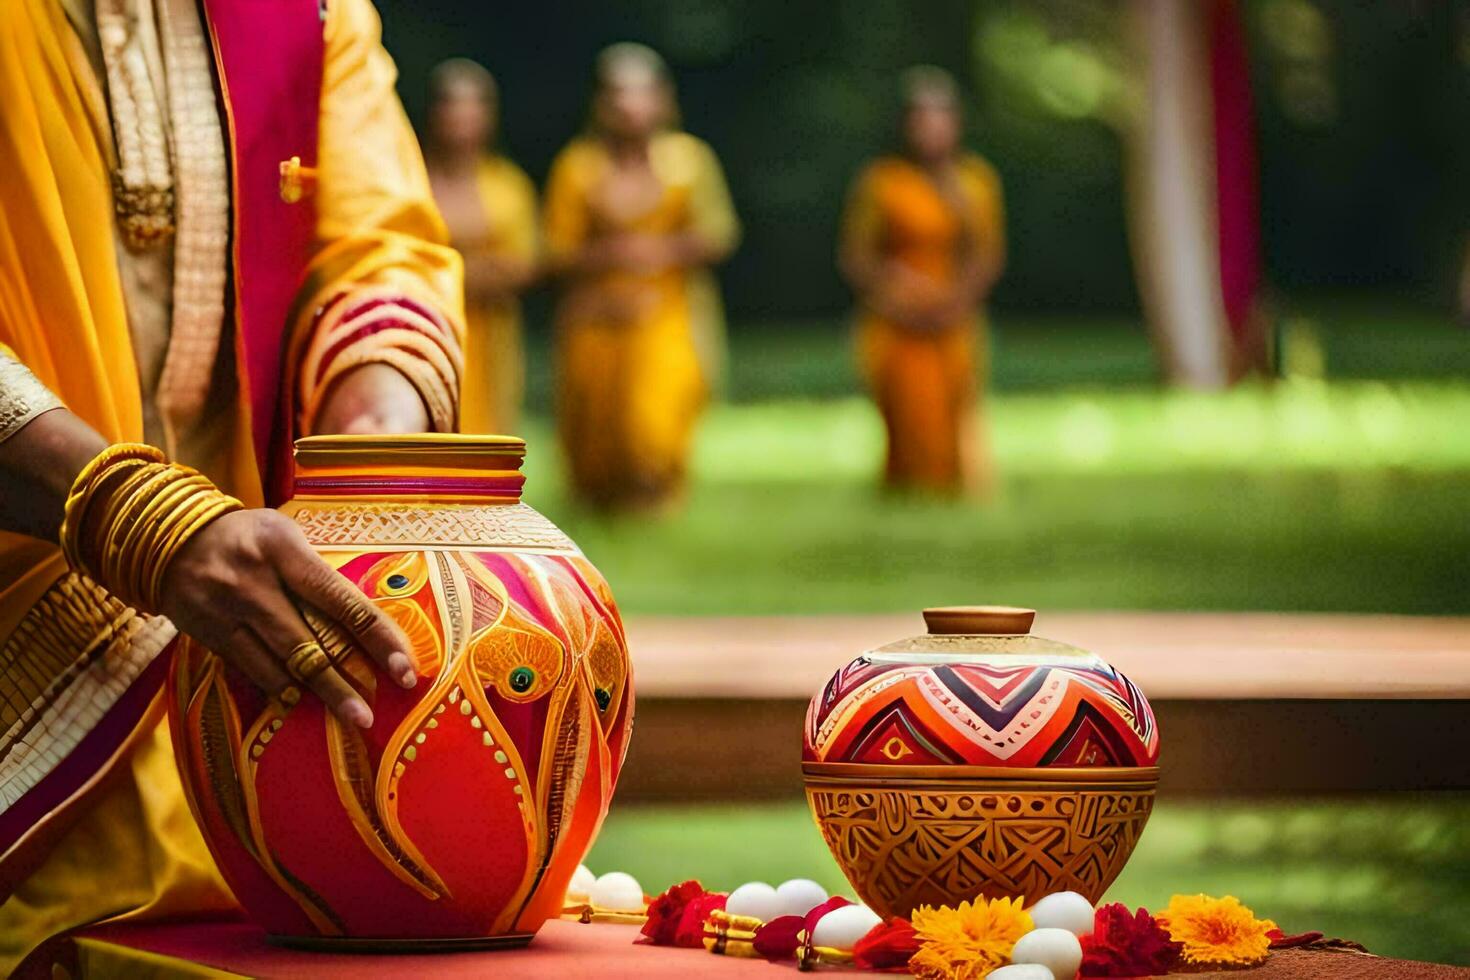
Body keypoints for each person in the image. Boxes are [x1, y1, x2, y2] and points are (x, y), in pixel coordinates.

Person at [0, 0, 464, 969]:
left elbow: (380, 247)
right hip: (34, 731)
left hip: (247, 738)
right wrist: (147, 525)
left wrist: (365, 458)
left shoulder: (310, 14)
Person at [542, 43, 739, 512]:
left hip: (666, 311)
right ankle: (604, 509)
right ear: (600, 103)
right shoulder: (578, 167)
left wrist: (658, 252)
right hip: (596, 313)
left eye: (640, 92)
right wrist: (610, 256)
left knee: (654, 418)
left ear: (662, 99)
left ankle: (657, 504)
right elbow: (555, 250)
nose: (629, 105)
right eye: (616, 94)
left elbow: (718, 234)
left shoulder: (690, 161)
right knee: (598, 424)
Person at [839, 66, 1006, 494]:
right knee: (908, 410)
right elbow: (858, 256)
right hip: (896, 314)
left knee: (955, 406)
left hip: (954, 312)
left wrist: (955, 302)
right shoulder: (883, 183)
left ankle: (957, 485)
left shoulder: (975, 182)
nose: (931, 131)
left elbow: (985, 254)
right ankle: (908, 486)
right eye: (920, 120)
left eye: (940, 119)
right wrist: (896, 299)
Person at [426, 59, 538, 435]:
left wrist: (447, 273)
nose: (461, 115)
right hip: (428, 328)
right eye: (450, 103)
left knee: (486, 429)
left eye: (473, 104)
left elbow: (526, 264)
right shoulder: (413, 182)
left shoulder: (508, 187)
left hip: (490, 332)